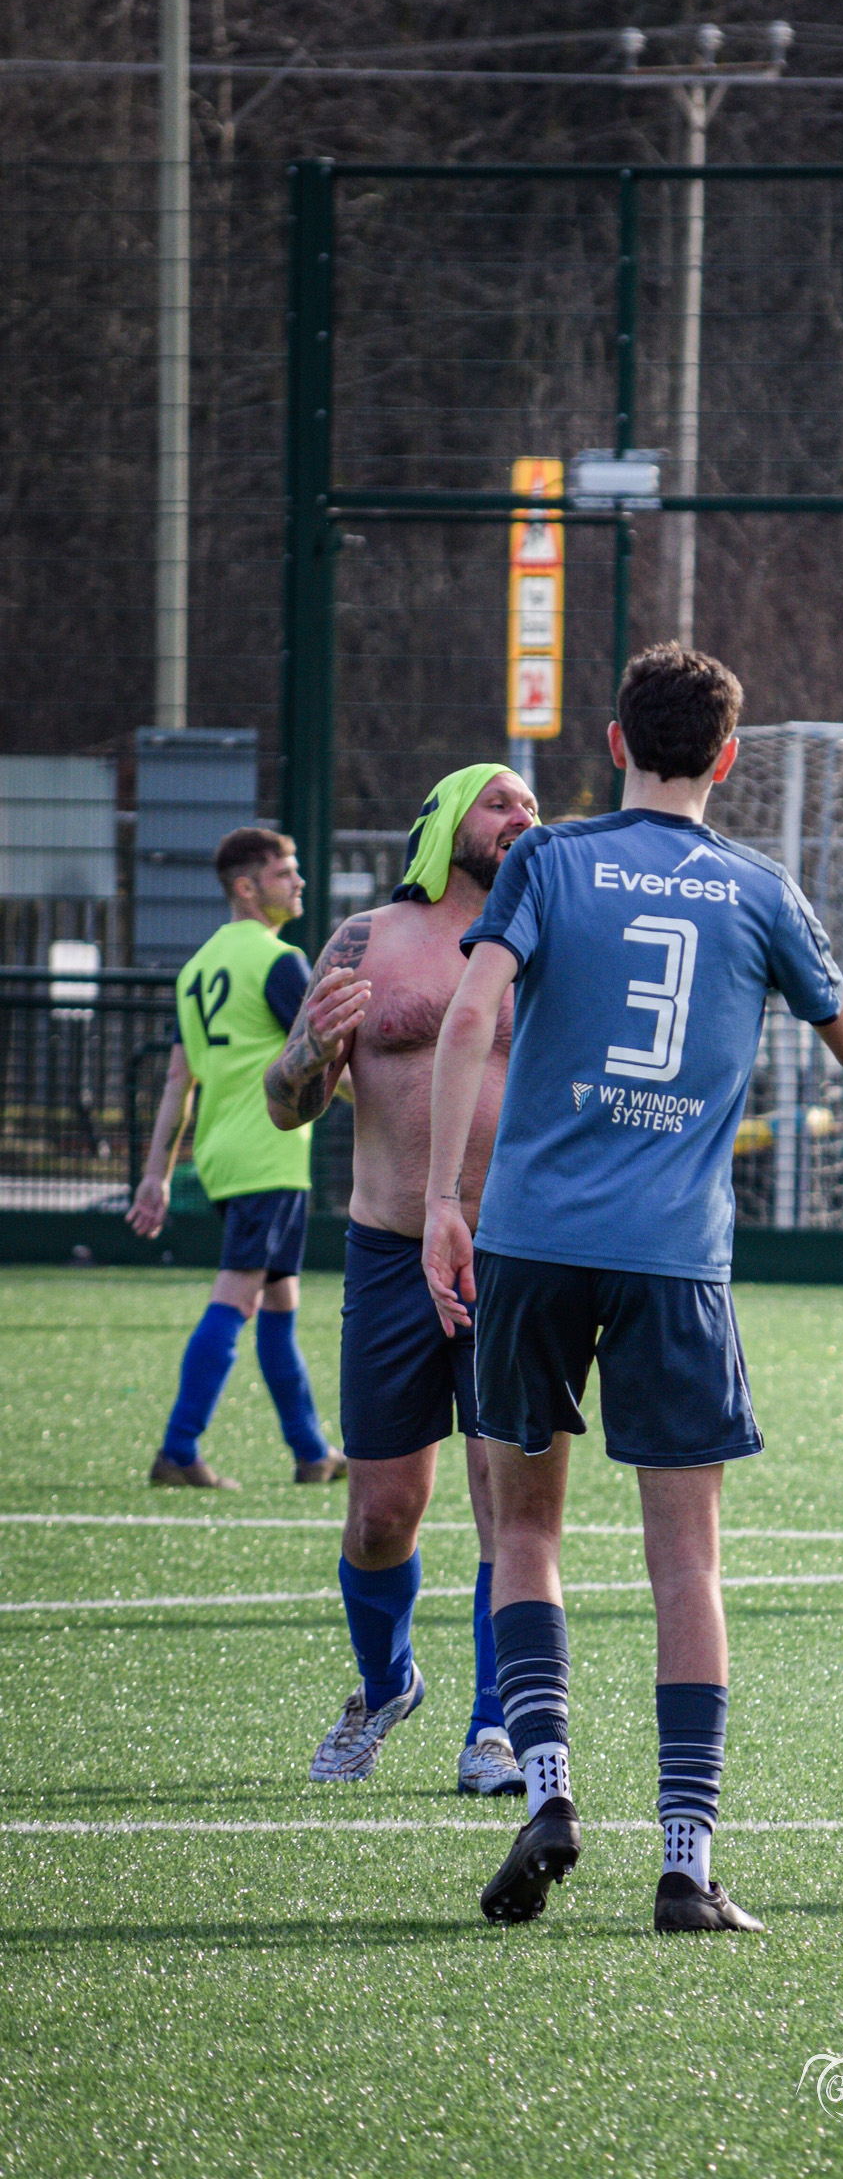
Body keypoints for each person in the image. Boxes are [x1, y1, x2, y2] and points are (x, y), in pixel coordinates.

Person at [421, 642, 843, 1932]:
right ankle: (686, 1862)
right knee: (686, 1566)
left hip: (533, 1242)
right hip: (673, 1261)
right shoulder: (758, 887)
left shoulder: (547, 859)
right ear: (727, 756)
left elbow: (470, 1016)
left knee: (523, 1535)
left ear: (613, 743)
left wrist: (443, 1198)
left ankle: (547, 1786)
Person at [263, 764, 540, 1797]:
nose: (522, 816)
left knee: (506, 1500)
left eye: (531, 806)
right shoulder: (364, 941)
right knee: (384, 1512)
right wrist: (309, 1050)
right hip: (390, 1253)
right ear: (446, 820)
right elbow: (287, 1103)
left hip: (515, 1255)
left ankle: (495, 1728)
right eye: (500, 802)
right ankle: (387, 1685)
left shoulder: (551, 939)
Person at [128, 827, 344, 1491]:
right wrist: (400, 1104)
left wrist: (156, 1173)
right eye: (285, 872)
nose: (299, 882)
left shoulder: (198, 968)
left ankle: (311, 1452)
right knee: (238, 1296)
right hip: (267, 1153)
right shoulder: (279, 961)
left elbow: (177, 1081)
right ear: (247, 887)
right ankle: (178, 1449)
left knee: (279, 1303)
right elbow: (322, 1057)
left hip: (224, 1155)